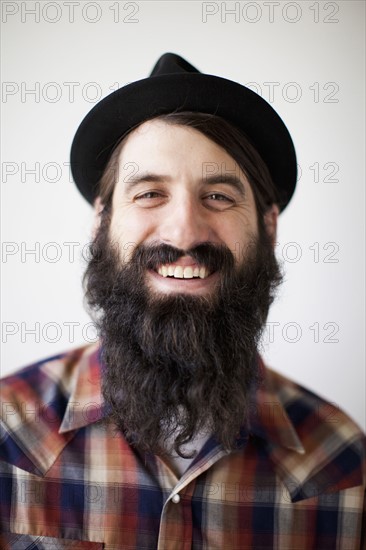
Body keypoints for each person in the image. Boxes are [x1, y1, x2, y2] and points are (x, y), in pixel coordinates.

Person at [0, 53, 364, 549]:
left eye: (217, 196)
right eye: (150, 193)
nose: (185, 231)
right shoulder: (9, 439)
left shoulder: (341, 466)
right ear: (102, 221)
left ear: (269, 227)